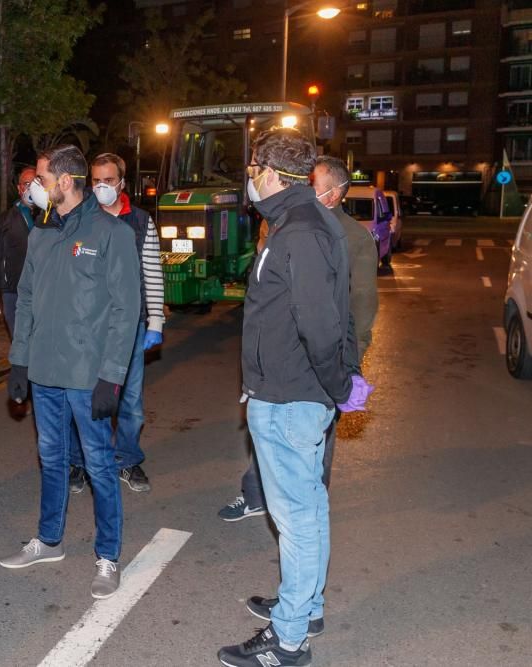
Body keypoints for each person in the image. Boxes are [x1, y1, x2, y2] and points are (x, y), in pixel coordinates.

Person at [217, 129, 372, 667]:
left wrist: (337, 385)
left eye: (251, 166)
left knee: (297, 519)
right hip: (295, 393)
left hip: (289, 397)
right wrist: (341, 383)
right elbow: (340, 310)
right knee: (310, 510)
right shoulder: (300, 223)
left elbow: (323, 325)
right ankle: (303, 608)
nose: (248, 177)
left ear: (268, 172)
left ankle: (287, 640)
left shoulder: (298, 231)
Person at [0, 145, 140, 600]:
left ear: (65, 182)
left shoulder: (112, 233)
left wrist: (112, 375)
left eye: (41, 179)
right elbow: (26, 302)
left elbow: (126, 309)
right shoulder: (41, 235)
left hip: (88, 376)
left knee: (99, 463)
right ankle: (49, 540)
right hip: (44, 372)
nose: (35, 187)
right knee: (52, 458)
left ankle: (108, 556)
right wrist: (19, 361)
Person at [218, 156, 378, 522]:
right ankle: (259, 493)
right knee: (275, 438)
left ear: (334, 193)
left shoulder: (350, 237)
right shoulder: (287, 223)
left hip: (325, 364)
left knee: (313, 451)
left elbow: (360, 303)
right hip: (285, 364)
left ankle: (309, 503)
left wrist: (350, 366)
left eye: (316, 185)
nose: (307, 190)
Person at [68, 153, 165, 494]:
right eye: (96, 181)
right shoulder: (79, 218)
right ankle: (79, 463)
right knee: (82, 397)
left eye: (108, 180)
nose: (101, 187)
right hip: (86, 326)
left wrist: (156, 320)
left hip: (128, 327)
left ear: (122, 183)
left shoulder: (139, 221)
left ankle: (127, 460)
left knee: (130, 402)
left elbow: (151, 272)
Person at [0, 166, 37, 337]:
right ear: (19, 188)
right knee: (20, 344)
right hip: (14, 293)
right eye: (26, 184)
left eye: (35, 183)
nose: (30, 188)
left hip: (43, 293)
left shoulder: (51, 217)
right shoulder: (6, 220)